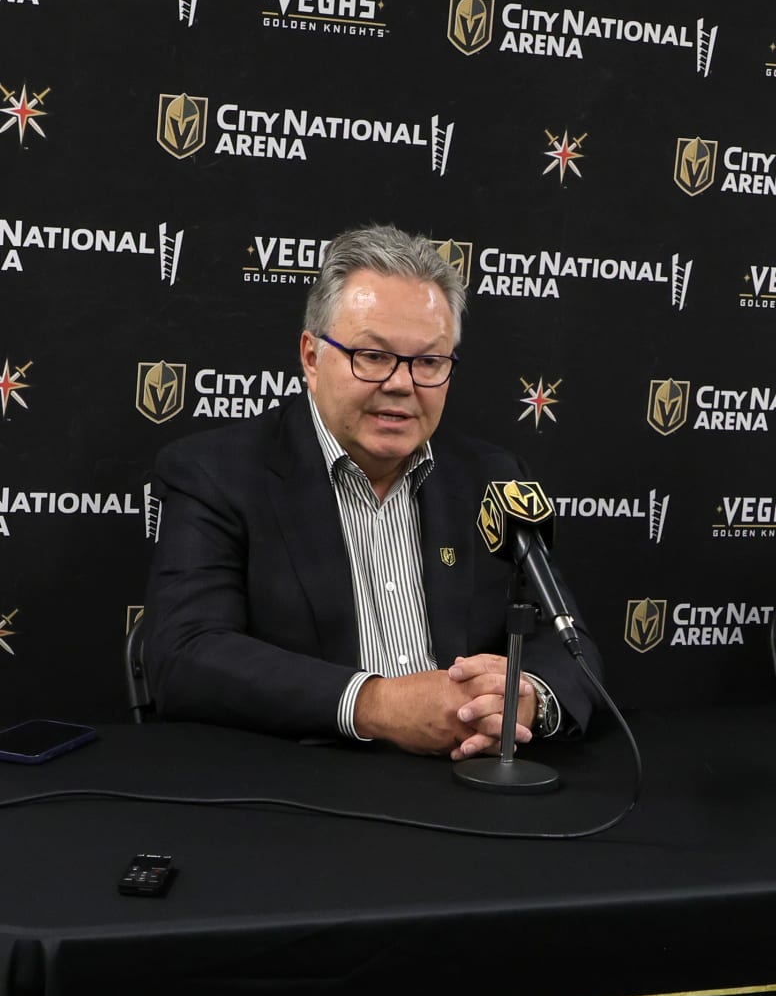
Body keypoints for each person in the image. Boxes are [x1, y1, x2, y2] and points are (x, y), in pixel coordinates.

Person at [144, 224, 592, 756]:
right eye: (373, 356)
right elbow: (185, 656)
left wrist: (528, 699)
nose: (401, 383)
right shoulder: (215, 472)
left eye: (428, 362)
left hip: (466, 782)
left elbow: (567, 641)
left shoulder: (493, 478)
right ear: (311, 357)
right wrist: (377, 705)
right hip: (303, 791)